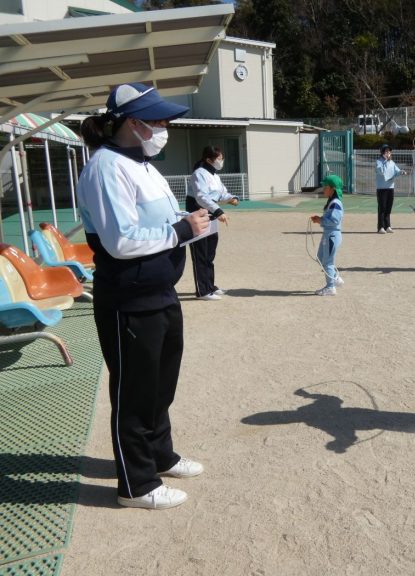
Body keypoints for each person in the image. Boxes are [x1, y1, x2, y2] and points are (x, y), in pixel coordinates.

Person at [76, 83, 209, 510]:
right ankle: (135, 485)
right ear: (133, 123)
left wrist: (187, 220)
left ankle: (159, 454)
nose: (164, 127)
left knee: (159, 385)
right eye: (157, 120)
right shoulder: (105, 166)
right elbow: (120, 241)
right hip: (128, 298)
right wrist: (180, 230)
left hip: (160, 291)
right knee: (134, 392)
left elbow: (162, 221)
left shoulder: (143, 163)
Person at [186, 146, 239, 301]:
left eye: (221, 157)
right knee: (200, 254)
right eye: (218, 158)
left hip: (211, 214)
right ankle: (202, 290)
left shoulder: (214, 175)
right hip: (199, 215)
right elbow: (201, 197)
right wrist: (218, 211)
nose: (221, 161)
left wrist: (231, 198)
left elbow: (221, 192)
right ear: (209, 160)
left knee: (209, 253)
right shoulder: (199, 174)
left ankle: (210, 286)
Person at [310, 174, 344, 295]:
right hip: (328, 234)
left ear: (333, 188)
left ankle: (330, 287)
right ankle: (335, 278)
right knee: (320, 258)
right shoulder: (332, 202)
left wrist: (321, 220)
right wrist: (320, 219)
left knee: (328, 262)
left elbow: (335, 220)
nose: (324, 189)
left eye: (326, 187)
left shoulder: (336, 203)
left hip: (332, 236)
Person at [375, 143, 406, 233]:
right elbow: (380, 171)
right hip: (381, 188)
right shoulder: (378, 162)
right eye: (386, 151)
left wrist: (401, 172)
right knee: (382, 208)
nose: (388, 153)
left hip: (390, 188)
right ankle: (380, 227)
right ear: (382, 152)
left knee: (388, 207)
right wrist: (384, 160)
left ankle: (387, 226)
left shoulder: (392, 163)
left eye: (389, 151)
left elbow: (396, 172)